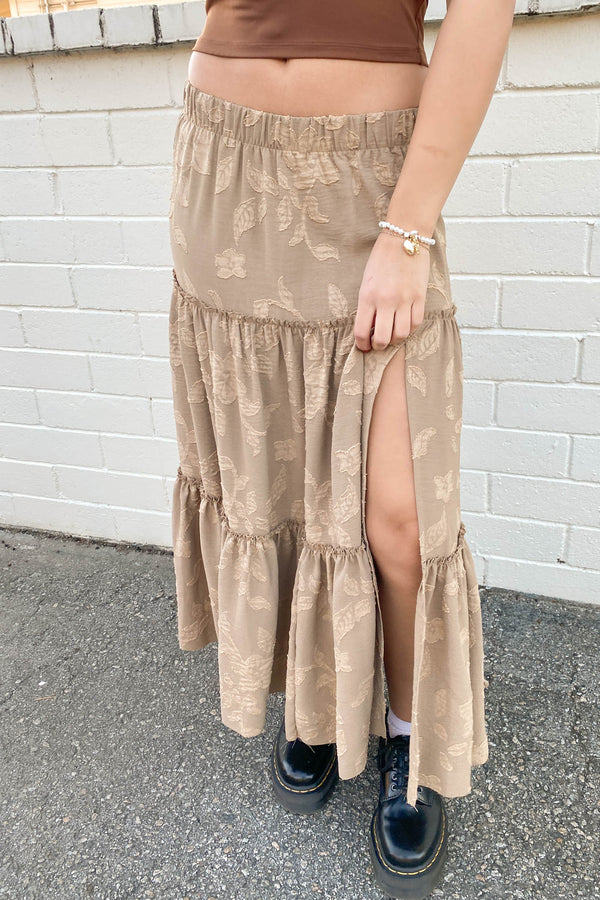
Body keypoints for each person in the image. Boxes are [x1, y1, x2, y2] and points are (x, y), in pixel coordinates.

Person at [168, 1, 516, 897]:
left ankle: (408, 732)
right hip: (226, 166)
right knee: (270, 483)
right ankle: (317, 703)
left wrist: (409, 230)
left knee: (399, 517)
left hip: (377, 181)